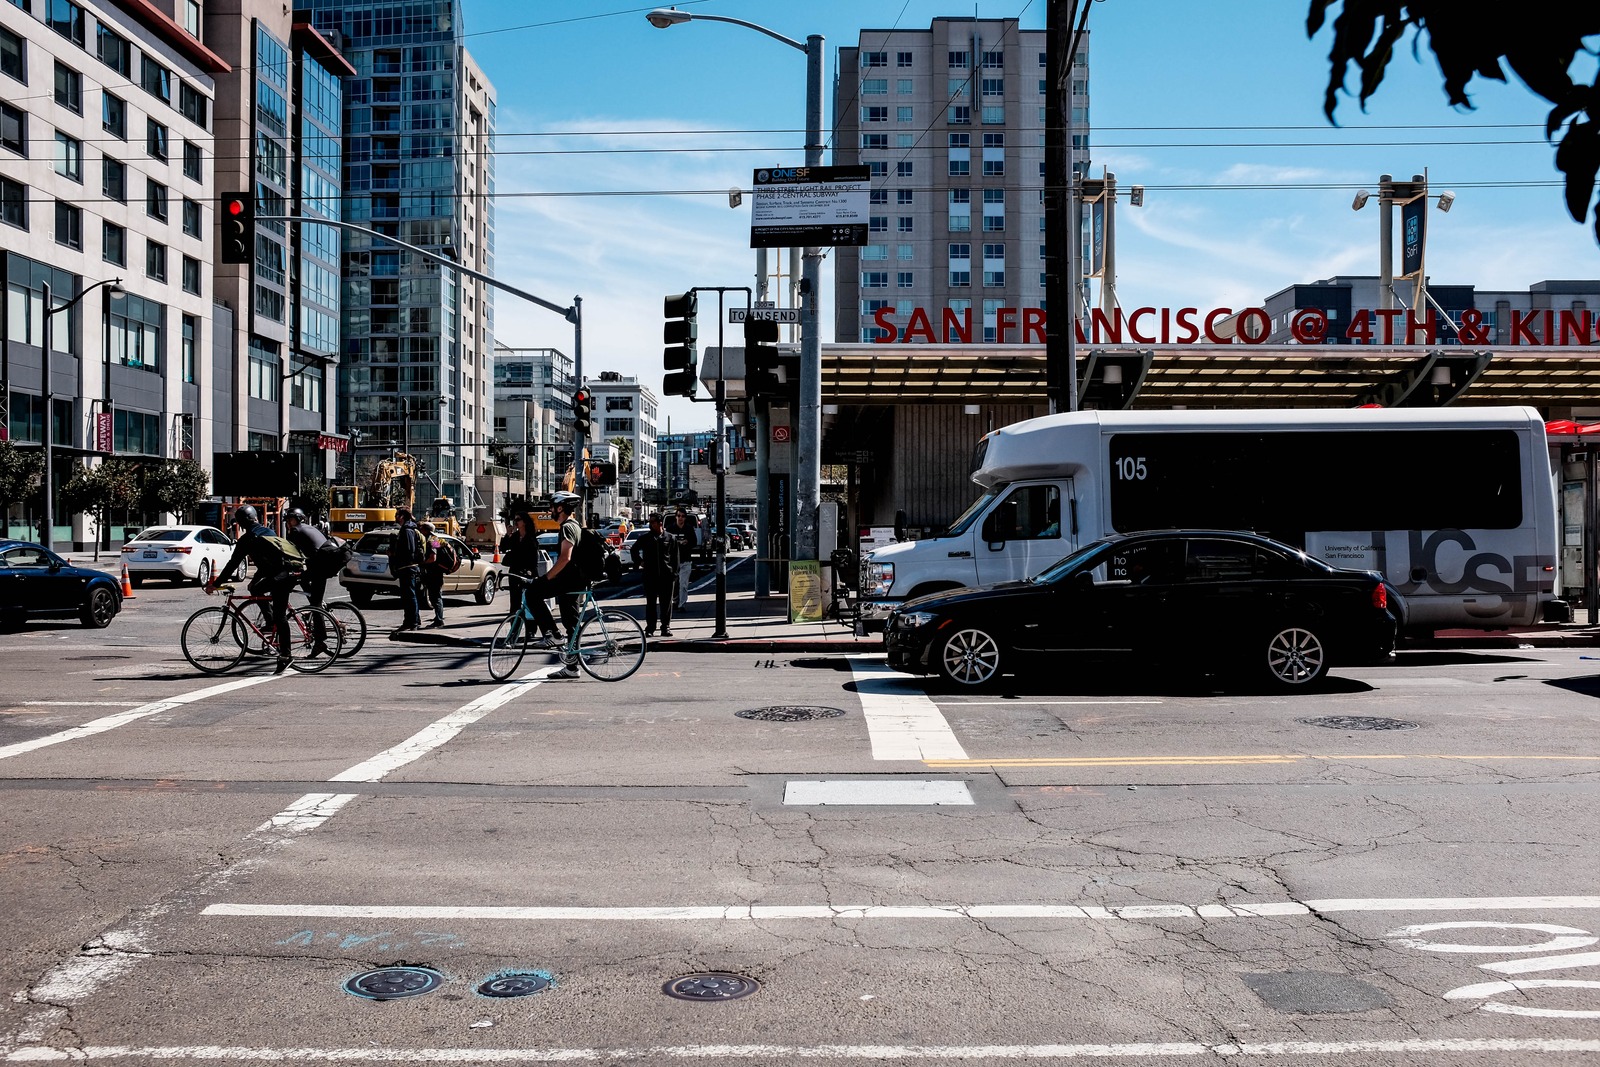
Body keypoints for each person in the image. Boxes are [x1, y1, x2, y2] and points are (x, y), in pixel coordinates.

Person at [207, 505, 304, 674]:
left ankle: (285, 656)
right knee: (256, 589)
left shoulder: (248, 539)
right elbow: (267, 562)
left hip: (282, 576)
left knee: (281, 617)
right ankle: (270, 621)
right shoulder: (268, 532)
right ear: (256, 518)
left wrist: (215, 584)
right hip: (285, 572)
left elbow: (233, 564)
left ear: (241, 523)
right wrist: (256, 580)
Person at [513, 491, 587, 679]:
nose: (550, 510)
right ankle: (572, 668)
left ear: (561, 508)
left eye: (552, 507)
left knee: (532, 594)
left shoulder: (567, 527)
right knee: (572, 625)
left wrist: (546, 578)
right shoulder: (575, 525)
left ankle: (552, 633)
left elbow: (565, 558)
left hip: (568, 581)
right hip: (573, 581)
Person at [284, 507, 333, 653]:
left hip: (318, 568)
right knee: (311, 594)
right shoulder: (309, 527)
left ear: (294, 520)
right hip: (324, 566)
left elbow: (290, 552)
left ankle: (320, 641)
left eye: (288, 520)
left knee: (314, 604)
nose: (287, 522)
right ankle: (312, 610)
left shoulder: (296, 531)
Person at [630, 512, 680, 637]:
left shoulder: (670, 538)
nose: (651, 525)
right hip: (650, 576)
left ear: (660, 523)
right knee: (651, 603)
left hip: (666, 576)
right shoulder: (646, 538)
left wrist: (674, 573)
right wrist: (640, 561)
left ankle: (665, 627)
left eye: (653, 522)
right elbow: (634, 549)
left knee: (666, 604)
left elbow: (675, 558)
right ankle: (650, 628)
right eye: (650, 522)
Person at [388, 506, 424, 635]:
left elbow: (409, 549)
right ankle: (411, 621)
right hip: (408, 567)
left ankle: (412, 622)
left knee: (410, 596)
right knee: (408, 596)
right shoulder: (408, 529)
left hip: (408, 568)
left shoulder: (407, 530)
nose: (395, 517)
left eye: (397, 514)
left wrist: (395, 555)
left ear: (402, 516)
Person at [666, 507, 697, 611]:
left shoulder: (689, 528)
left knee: (683, 584)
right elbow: (666, 543)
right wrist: (677, 543)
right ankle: (675, 601)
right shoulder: (670, 529)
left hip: (685, 561)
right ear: (676, 517)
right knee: (673, 584)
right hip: (673, 562)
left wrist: (687, 542)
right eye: (679, 516)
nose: (680, 518)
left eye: (683, 516)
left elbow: (694, 542)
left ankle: (681, 605)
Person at [418, 521, 447, 629]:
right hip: (433, 573)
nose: (420, 530)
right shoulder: (432, 538)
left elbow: (433, 557)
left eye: (421, 528)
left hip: (435, 573)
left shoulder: (433, 539)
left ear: (426, 530)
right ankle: (437, 618)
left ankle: (439, 620)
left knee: (436, 597)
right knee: (435, 596)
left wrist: (423, 563)